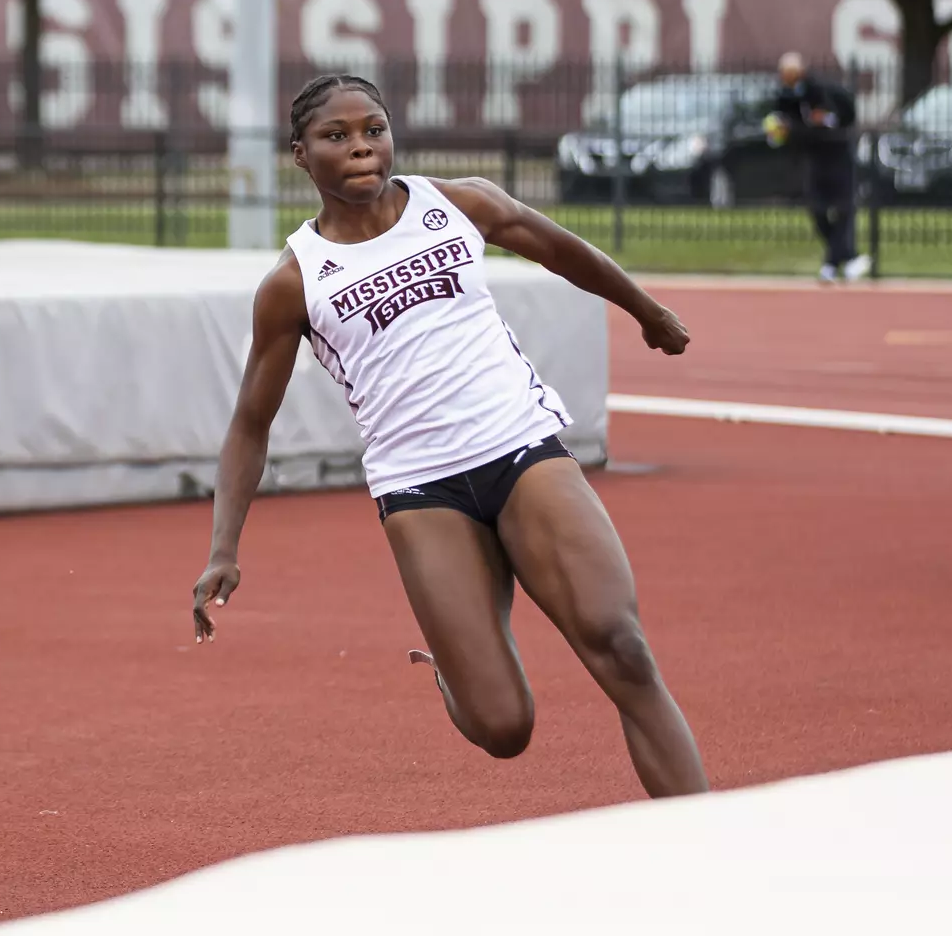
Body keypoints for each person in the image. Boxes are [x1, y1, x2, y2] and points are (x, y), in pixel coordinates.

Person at [190, 74, 709, 800]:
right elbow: (251, 422)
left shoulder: (455, 204)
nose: (361, 147)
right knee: (503, 727)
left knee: (619, 648)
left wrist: (645, 311)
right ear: (300, 157)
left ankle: (704, 840)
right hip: (420, 489)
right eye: (335, 137)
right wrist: (224, 547)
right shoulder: (294, 282)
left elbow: (560, 249)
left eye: (372, 128)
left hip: (521, 448)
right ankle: (451, 661)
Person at [774, 52, 869, 283]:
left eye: (792, 75)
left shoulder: (824, 90)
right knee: (817, 210)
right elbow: (786, 125)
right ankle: (850, 257)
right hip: (815, 160)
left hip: (839, 157)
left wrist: (827, 120)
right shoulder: (785, 97)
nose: (789, 80)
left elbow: (844, 114)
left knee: (844, 209)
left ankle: (830, 264)